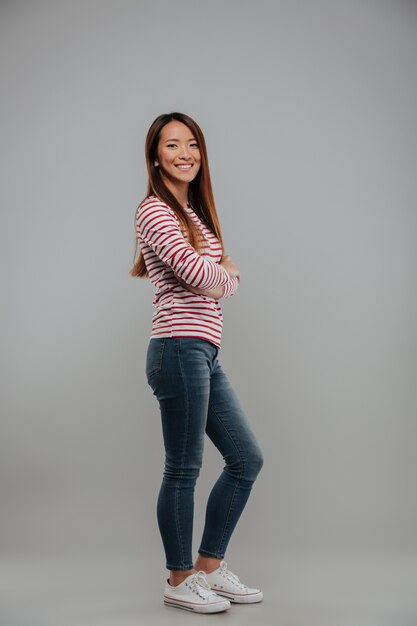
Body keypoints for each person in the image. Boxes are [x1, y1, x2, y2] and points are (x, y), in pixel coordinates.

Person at [130, 112, 265, 614]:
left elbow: (209, 275)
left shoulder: (195, 217)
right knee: (184, 468)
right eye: (172, 145)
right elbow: (205, 278)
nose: (184, 153)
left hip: (203, 352)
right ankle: (179, 578)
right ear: (155, 155)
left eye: (192, 144)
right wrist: (225, 272)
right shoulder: (154, 212)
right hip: (177, 348)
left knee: (246, 458)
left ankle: (209, 567)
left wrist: (217, 272)